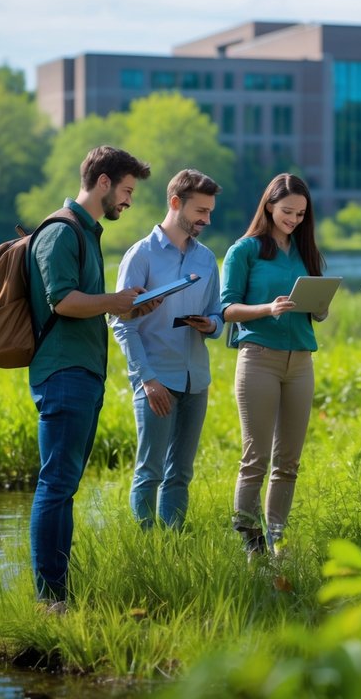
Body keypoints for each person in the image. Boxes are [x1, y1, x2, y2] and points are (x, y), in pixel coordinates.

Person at [27, 145, 152, 610]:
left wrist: (130, 303)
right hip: (62, 373)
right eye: (126, 190)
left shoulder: (85, 231)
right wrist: (114, 301)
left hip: (82, 374)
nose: (128, 201)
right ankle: (50, 598)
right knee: (56, 484)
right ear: (103, 182)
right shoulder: (61, 232)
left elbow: (85, 302)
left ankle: (57, 593)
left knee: (64, 485)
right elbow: (62, 301)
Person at [220, 173, 326, 559]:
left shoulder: (306, 252)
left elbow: (317, 312)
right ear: (268, 206)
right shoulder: (244, 250)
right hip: (259, 359)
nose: (294, 219)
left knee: (289, 461)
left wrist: (320, 305)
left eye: (300, 214)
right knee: (256, 459)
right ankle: (251, 543)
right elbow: (227, 309)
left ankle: (277, 539)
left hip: (300, 361)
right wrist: (268, 308)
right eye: (287, 211)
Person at [111, 169, 224, 530]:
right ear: (176, 203)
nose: (206, 219)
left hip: (196, 380)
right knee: (150, 470)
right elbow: (121, 322)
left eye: (209, 212)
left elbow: (217, 313)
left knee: (181, 473)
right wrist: (147, 379)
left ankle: (172, 547)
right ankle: (146, 549)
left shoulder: (206, 259)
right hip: (156, 379)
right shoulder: (140, 255)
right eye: (200, 211)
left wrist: (212, 325)